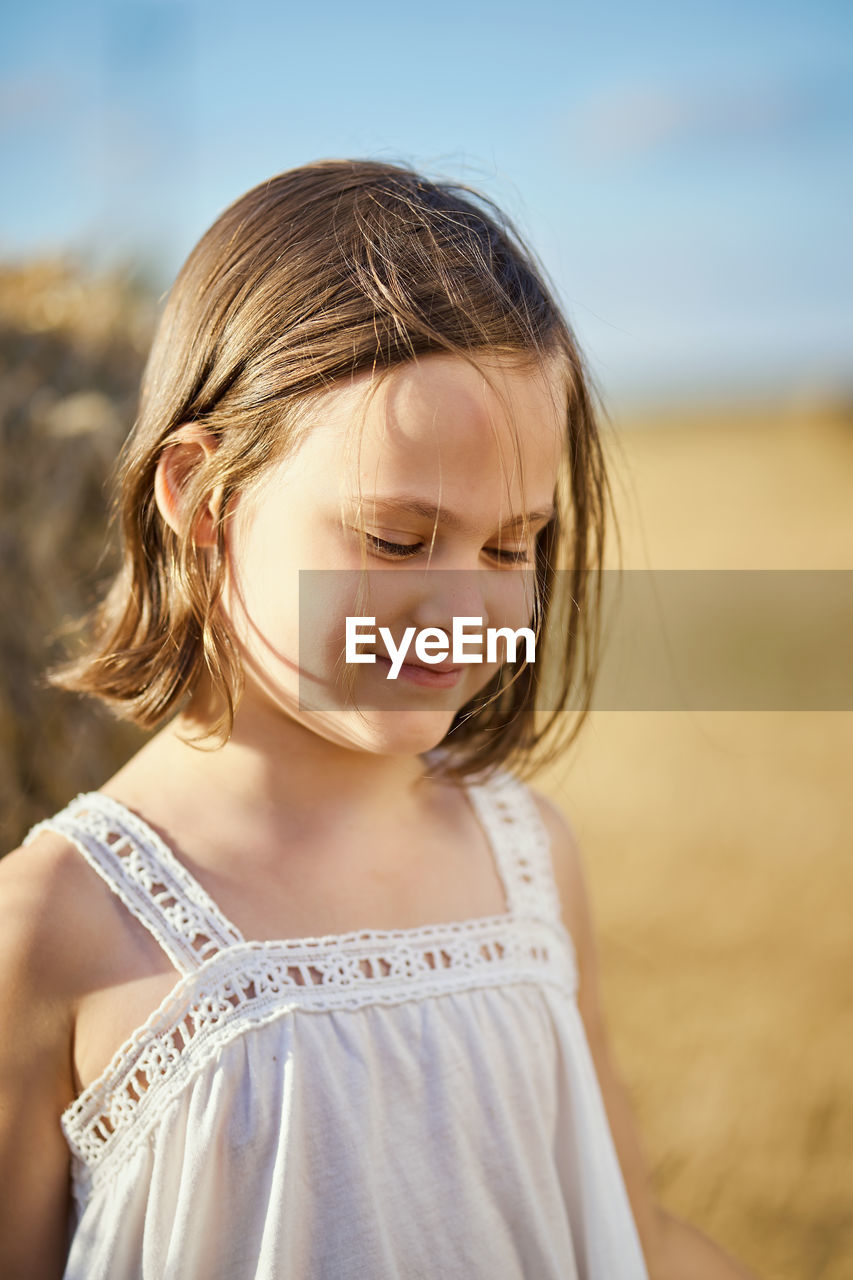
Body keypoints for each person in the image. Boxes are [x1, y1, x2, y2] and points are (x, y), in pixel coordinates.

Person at [0, 160, 758, 1279]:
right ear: (203, 500)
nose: (464, 606)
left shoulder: (528, 857)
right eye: (398, 540)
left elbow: (624, 1234)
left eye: (511, 546)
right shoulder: (54, 924)